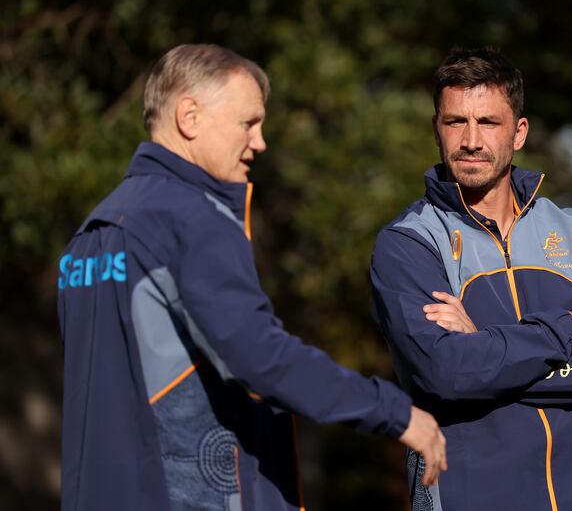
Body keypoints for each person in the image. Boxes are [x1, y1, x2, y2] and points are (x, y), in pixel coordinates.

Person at [57, 43, 446, 511]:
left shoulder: (89, 233)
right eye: (249, 123)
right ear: (190, 117)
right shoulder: (191, 219)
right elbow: (262, 358)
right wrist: (395, 412)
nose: (260, 141)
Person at [370, 47, 572, 510]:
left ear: (518, 133)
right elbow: (447, 373)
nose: (471, 140)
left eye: (489, 123)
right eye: (456, 122)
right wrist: (567, 329)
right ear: (436, 129)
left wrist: (484, 345)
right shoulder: (408, 243)